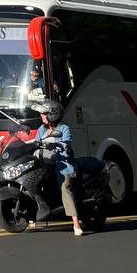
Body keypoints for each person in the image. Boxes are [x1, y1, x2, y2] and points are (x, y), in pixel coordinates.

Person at [28, 99, 81, 235]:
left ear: (53, 114)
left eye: (44, 114)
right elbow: (36, 142)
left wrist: (56, 145)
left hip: (62, 163)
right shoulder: (41, 129)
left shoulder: (63, 128)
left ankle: (76, 223)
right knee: (32, 180)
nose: (42, 116)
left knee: (65, 187)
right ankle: (31, 217)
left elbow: (66, 143)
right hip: (45, 163)